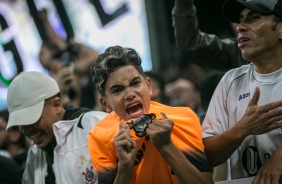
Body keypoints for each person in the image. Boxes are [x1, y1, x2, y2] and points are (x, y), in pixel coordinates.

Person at [88, 45, 213, 184]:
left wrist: (166, 146)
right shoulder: (100, 136)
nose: (130, 94)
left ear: (148, 86)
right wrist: (124, 166)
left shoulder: (184, 118)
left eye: (135, 83)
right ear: (105, 104)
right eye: (117, 90)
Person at [201, 0, 282, 183]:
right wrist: (242, 129)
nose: (240, 28)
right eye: (240, 20)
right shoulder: (231, 81)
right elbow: (208, 156)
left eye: (254, 18)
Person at [6, 71, 108, 184]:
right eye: (21, 122)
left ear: (57, 105)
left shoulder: (94, 125)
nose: (26, 129)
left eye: (31, 119)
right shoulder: (34, 153)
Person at [172, 0, 248, 71]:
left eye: (253, 18)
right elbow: (192, 44)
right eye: (237, 19)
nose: (239, 27)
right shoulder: (234, 51)